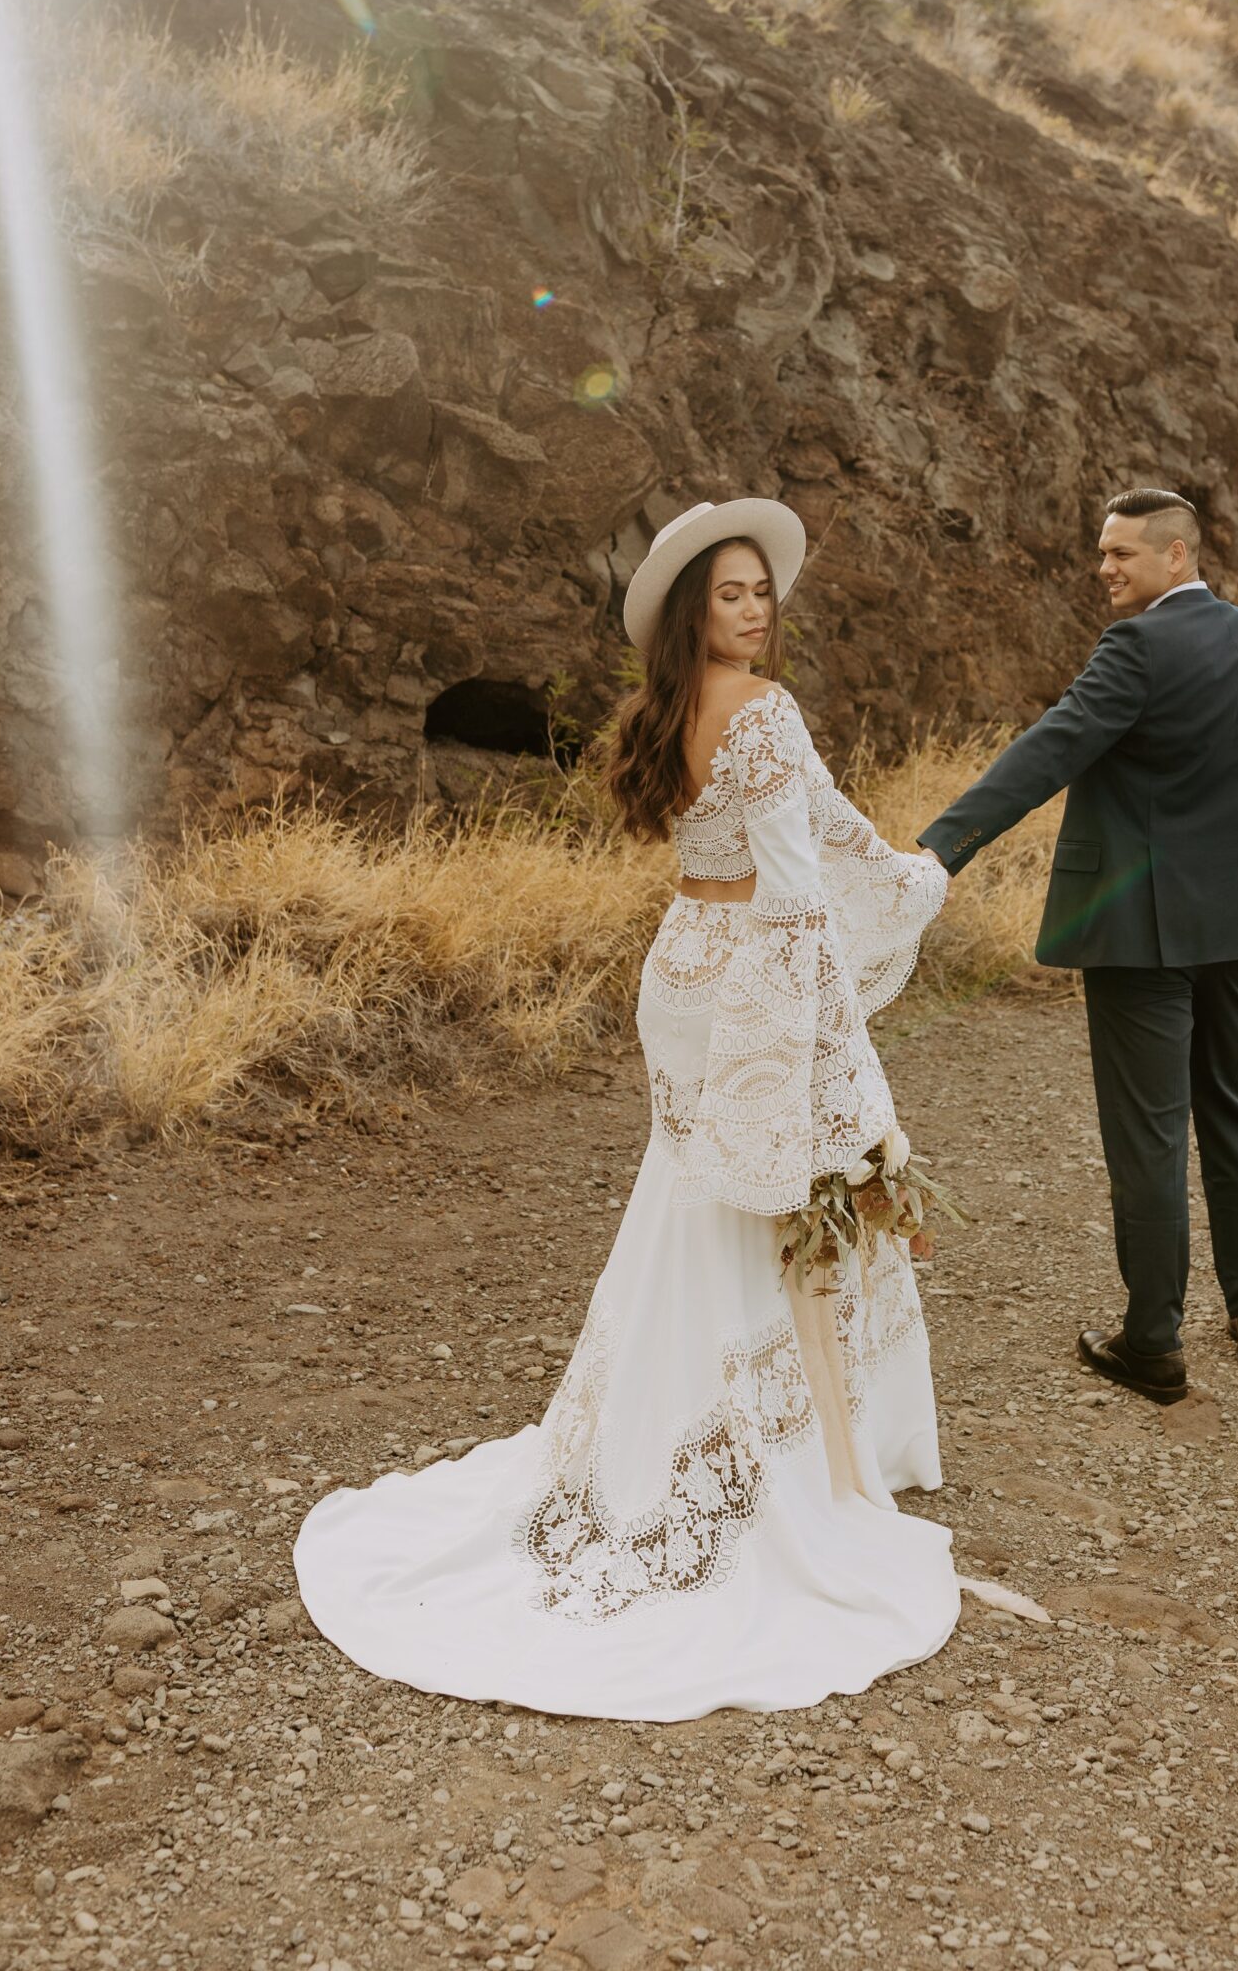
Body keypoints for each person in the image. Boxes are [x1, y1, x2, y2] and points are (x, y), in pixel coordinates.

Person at [295, 497, 1035, 1722]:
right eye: (733, 593)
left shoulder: (667, 714)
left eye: (762, 592)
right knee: (755, 1200)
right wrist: (838, 1057)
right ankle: (759, 1461)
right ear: (697, 609)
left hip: (683, 961)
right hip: (746, 968)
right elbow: (801, 890)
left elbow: (793, 843)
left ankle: (653, 1434)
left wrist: (891, 880)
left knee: (691, 1200)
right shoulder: (766, 711)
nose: (756, 609)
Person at [919, 488, 1238, 1405]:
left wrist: (934, 850)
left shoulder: (1139, 645)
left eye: (1121, 555)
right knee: (1227, 1102)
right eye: (1102, 552)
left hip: (1138, 931)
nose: (1103, 568)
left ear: (1177, 556)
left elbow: (1049, 750)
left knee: (1148, 1132)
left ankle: (1151, 1342)